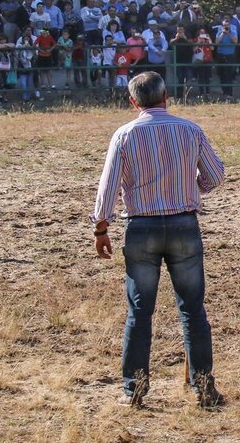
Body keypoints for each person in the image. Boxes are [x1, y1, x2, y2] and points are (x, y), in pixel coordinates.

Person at [90, 72, 225, 408]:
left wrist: (101, 228)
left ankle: (134, 390)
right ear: (167, 97)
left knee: (139, 311)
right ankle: (204, 388)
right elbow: (216, 174)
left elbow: (107, 187)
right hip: (183, 225)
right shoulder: (190, 130)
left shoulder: (124, 134)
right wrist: (193, 187)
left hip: (141, 228)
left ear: (133, 102)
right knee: (193, 310)